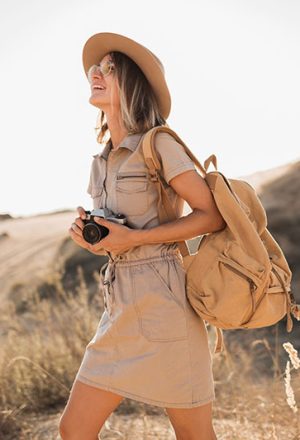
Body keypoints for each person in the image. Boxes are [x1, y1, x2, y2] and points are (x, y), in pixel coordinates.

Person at [59, 32, 225, 440]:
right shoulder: (100, 162)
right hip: (118, 308)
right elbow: (120, 237)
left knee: (196, 436)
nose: (96, 73)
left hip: (166, 304)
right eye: (96, 68)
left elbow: (213, 216)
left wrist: (133, 241)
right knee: (73, 430)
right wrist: (94, 240)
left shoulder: (159, 144)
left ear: (132, 85)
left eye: (110, 69)